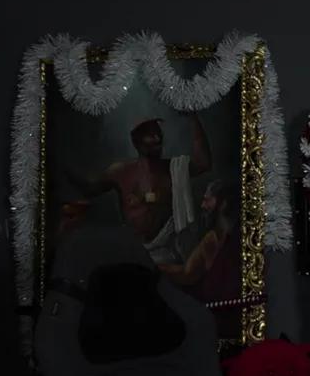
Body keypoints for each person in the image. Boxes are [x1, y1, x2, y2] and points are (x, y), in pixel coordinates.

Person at [67, 110, 212, 264]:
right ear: (136, 141)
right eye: (151, 135)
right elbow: (89, 189)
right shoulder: (120, 172)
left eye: (158, 134)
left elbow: (203, 163)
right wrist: (64, 170)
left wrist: (193, 120)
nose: (157, 139)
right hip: (131, 253)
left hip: (166, 254)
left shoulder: (173, 169)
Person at [158, 179, 240, 306]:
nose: (202, 205)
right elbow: (187, 273)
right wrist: (154, 267)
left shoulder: (240, 237)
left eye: (207, 200)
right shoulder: (211, 239)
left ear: (224, 203)